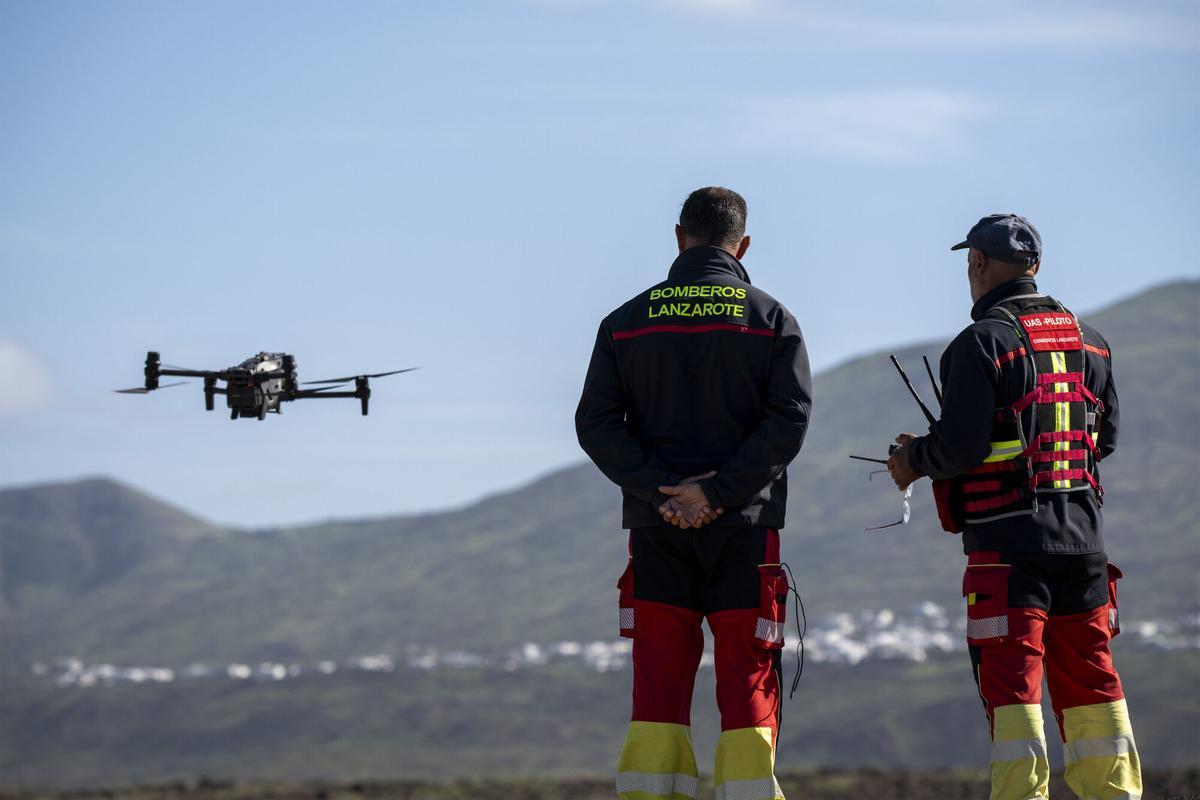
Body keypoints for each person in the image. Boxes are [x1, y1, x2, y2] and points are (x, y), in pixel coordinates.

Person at [887, 214, 1142, 800]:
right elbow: (1104, 441)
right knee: (1093, 685)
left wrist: (912, 459)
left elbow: (960, 449)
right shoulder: (1092, 340)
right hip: (1085, 547)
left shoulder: (979, 344)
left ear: (976, 264)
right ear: (1036, 266)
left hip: (1007, 552)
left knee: (1014, 694)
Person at [575, 187, 812, 800]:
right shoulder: (771, 319)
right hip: (745, 534)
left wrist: (663, 492)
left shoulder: (625, 322)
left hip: (658, 534)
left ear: (679, 236)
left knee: (657, 687)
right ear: (744, 244)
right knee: (747, 684)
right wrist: (718, 493)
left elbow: (595, 425)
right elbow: (788, 420)